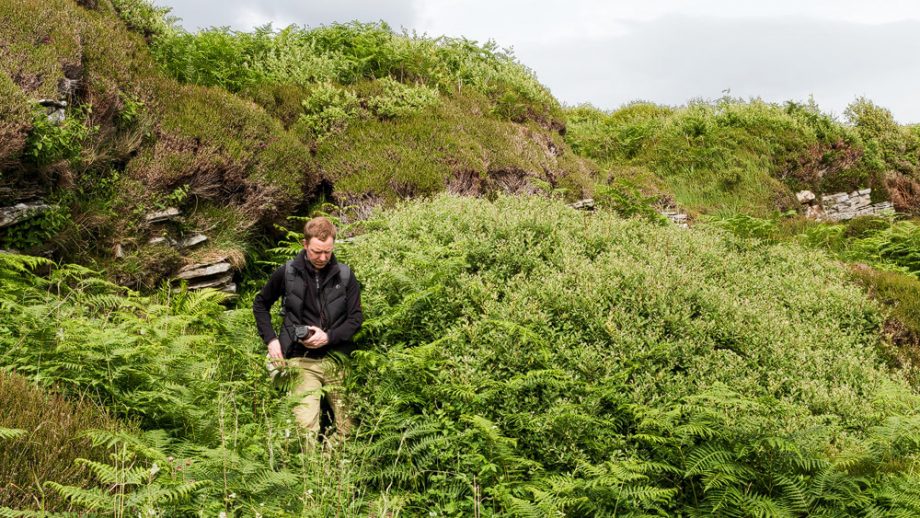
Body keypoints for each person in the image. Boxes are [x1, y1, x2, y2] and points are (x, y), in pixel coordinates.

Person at [253, 216, 363, 440]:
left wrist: (328, 337)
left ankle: (329, 468)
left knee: (349, 428)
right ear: (305, 245)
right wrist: (272, 341)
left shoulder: (345, 275)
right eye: (316, 252)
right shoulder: (287, 273)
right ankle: (311, 473)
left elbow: (355, 318)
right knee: (306, 429)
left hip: (337, 359)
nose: (322, 258)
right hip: (300, 359)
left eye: (328, 252)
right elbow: (260, 304)